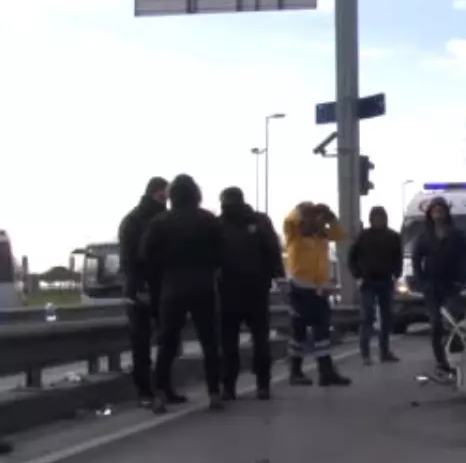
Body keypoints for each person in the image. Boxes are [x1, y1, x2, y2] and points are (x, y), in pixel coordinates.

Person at [139, 174, 225, 413]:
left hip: (172, 286)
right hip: (203, 286)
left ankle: (159, 394)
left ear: (173, 196)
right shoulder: (208, 220)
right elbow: (222, 252)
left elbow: (146, 254)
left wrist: (161, 271)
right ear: (196, 194)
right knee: (209, 341)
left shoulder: (160, 221)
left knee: (167, 342)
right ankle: (214, 392)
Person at [217, 187, 284, 401]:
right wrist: (276, 276)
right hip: (250, 289)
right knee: (257, 339)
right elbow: (273, 250)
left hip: (234, 290)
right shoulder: (258, 222)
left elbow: (272, 249)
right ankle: (259, 385)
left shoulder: (220, 224)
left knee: (233, 341)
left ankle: (231, 386)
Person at [282, 201, 352, 386]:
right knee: (300, 331)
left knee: (321, 329)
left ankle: (324, 370)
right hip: (300, 287)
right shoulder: (294, 234)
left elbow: (340, 234)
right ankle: (298, 371)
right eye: (312, 217)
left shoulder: (321, 236)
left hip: (319, 288)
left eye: (318, 217)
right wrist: (302, 210)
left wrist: (331, 218)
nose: (317, 220)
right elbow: (290, 220)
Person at [117, 176, 170, 407]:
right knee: (142, 343)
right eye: (164, 195)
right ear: (156, 194)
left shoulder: (162, 218)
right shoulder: (135, 220)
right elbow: (129, 259)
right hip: (141, 290)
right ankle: (145, 391)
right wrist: (139, 287)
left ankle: (161, 388)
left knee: (166, 340)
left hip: (162, 288)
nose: (167, 200)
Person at [411, 197, 466, 375]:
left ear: (446, 213)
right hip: (432, 287)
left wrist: (461, 279)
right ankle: (441, 361)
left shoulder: (457, 234)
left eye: (440, 210)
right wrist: (421, 282)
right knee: (436, 324)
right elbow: (416, 260)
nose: (437, 214)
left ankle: (456, 358)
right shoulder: (424, 236)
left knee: (454, 324)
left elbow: (465, 258)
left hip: (452, 285)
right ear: (430, 214)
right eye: (434, 211)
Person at [348, 206, 403, 364]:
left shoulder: (393, 236)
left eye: (381, 217)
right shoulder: (363, 237)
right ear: (371, 219)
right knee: (368, 316)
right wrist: (357, 274)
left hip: (386, 280)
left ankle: (384, 352)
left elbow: (398, 256)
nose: (379, 220)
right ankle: (365, 353)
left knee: (387, 317)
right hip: (368, 282)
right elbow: (352, 258)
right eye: (376, 217)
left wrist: (397, 273)